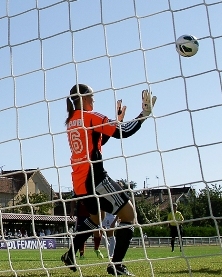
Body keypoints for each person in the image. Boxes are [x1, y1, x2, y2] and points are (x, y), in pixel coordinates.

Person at [61, 84, 156, 276]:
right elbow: (123, 132)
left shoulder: (72, 120)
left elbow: (98, 140)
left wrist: (116, 121)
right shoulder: (90, 116)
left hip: (79, 182)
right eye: (93, 97)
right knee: (129, 215)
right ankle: (116, 265)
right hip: (95, 178)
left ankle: (70, 254)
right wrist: (144, 114)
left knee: (97, 218)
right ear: (85, 98)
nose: (94, 101)